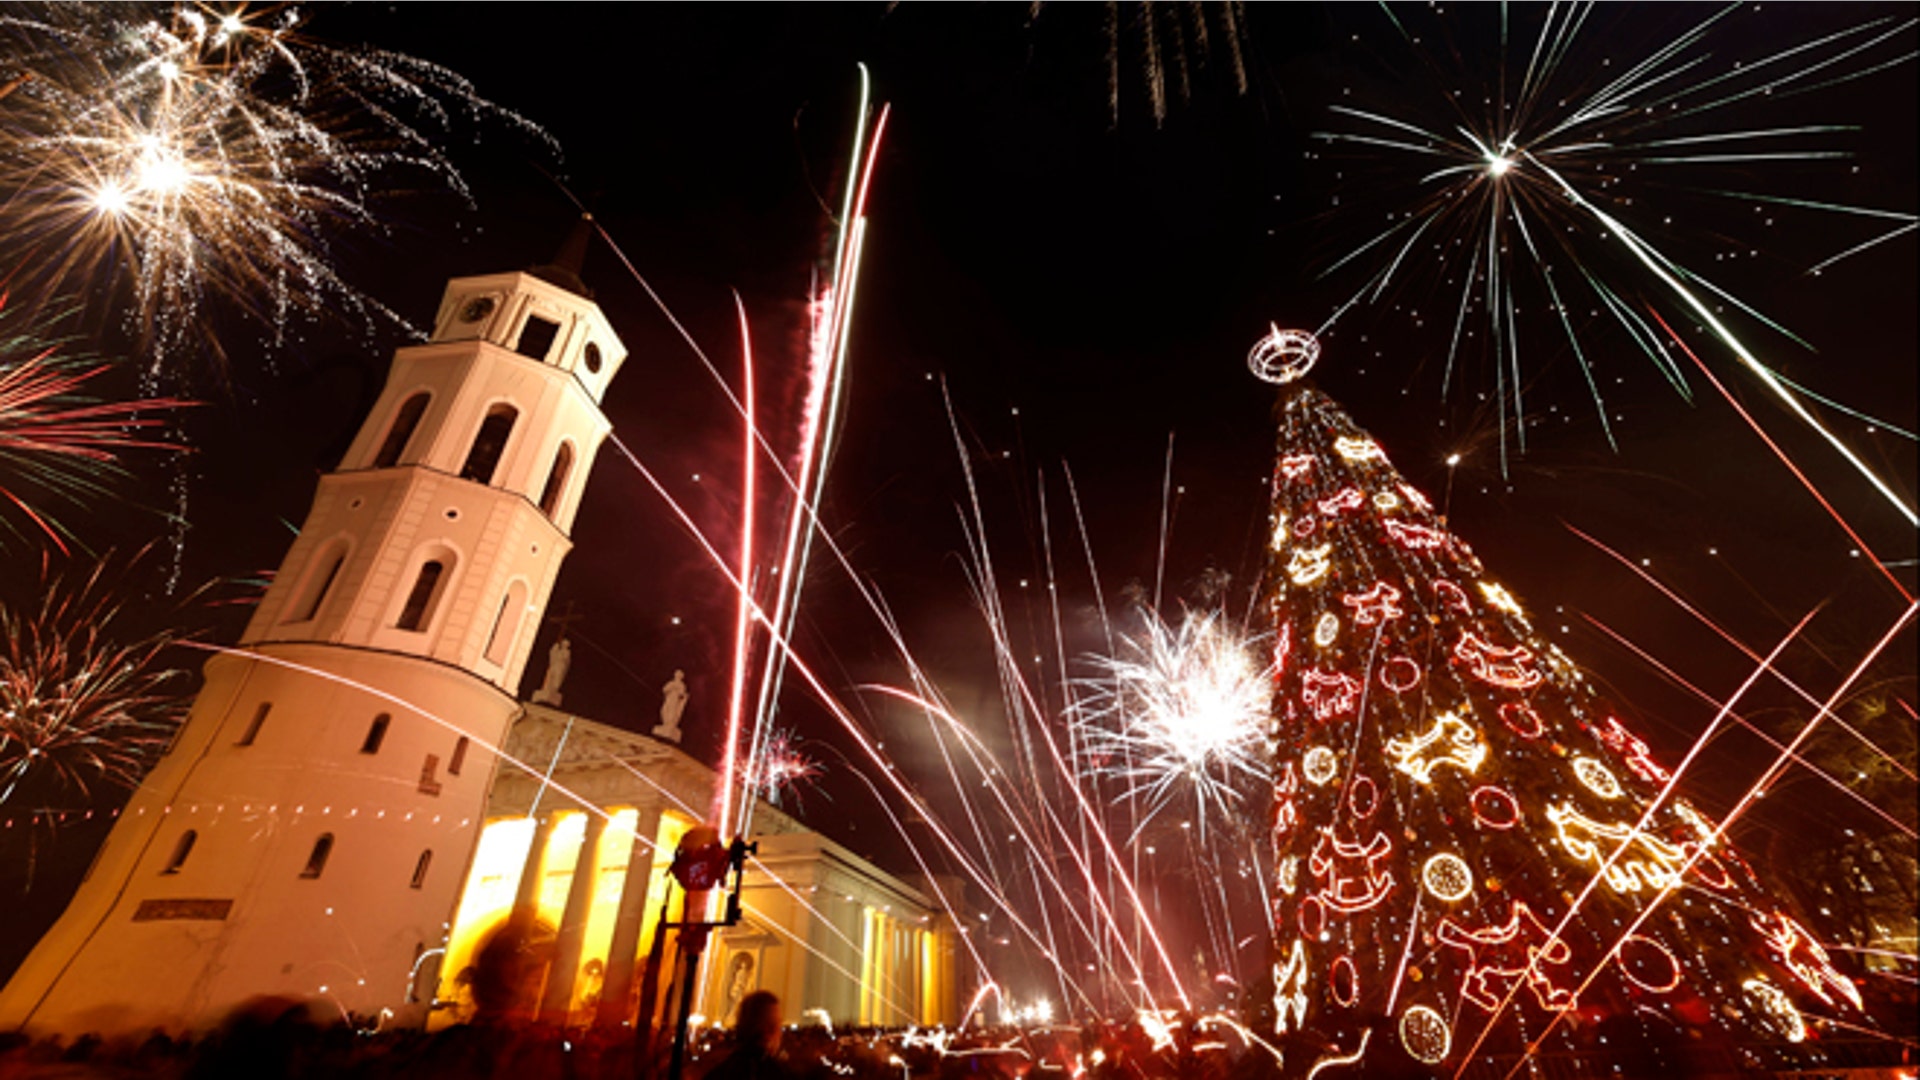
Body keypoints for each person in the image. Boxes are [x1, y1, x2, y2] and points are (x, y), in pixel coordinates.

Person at [703, 990, 790, 1080]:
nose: (781, 1033)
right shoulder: (773, 1073)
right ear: (767, 1032)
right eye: (778, 1025)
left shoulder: (721, 1069)